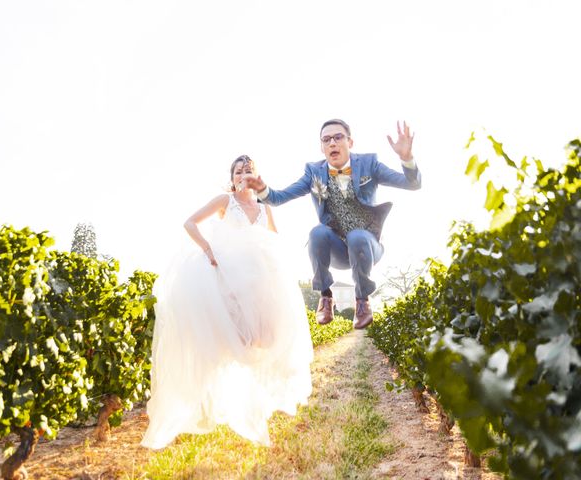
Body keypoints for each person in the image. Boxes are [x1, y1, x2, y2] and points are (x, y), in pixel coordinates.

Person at [141, 155, 313, 450]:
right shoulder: (225, 200)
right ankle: (208, 384)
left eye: (249, 169)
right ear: (232, 177)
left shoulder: (264, 206)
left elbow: (274, 239)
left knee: (267, 340)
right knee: (226, 343)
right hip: (229, 276)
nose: (243, 173)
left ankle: (255, 396)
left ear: (256, 176)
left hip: (258, 281)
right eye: (238, 170)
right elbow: (189, 223)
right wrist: (208, 249)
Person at [244, 120, 421, 329]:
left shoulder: (369, 164)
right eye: (326, 140)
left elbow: (412, 184)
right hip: (337, 249)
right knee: (317, 233)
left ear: (350, 142)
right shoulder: (313, 172)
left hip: (367, 245)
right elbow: (277, 198)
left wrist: (406, 158)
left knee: (357, 236)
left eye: (338, 137)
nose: (332, 143)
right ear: (321, 147)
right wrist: (262, 188)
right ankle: (326, 296)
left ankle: (362, 300)